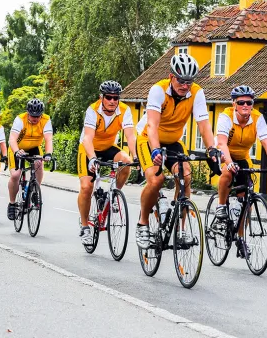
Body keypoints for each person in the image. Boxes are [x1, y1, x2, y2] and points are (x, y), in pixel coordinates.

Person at [135, 53, 221, 249]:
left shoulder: (197, 93)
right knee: (156, 180)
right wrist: (156, 151)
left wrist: (212, 148)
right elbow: (152, 125)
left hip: (174, 141)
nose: (185, 85)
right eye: (181, 81)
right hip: (149, 139)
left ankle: (180, 231)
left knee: (186, 177)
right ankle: (143, 223)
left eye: (189, 82)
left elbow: (204, 124)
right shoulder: (158, 90)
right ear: (171, 77)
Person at [214, 85, 267, 255]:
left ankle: (240, 237)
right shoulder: (226, 116)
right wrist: (229, 162)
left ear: (253, 104)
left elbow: (266, 142)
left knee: (247, 201)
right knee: (228, 172)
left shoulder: (257, 118)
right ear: (234, 103)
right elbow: (222, 143)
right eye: (241, 102)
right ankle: (221, 206)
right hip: (223, 154)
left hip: (243, 157)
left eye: (249, 102)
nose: (245, 105)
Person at [78, 80, 137, 245]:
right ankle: (84, 227)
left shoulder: (124, 110)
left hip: (109, 146)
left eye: (115, 98)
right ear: (101, 97)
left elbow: (130, 136)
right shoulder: (93, 110)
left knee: (126, 161)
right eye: (108, 97)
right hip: (89, 149)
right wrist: (92, 158)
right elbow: (88, 138)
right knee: (86, 187)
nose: (112, 101)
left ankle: (113, 195)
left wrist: (137, 156)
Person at [6, 98, 53, 220]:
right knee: (16, 175)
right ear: (28, 113)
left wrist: (48, 154)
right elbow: (12, 138)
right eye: (32, 116)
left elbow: (48, 139)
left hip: (34, 147)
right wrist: (16, 151)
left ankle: (35, 190)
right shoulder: (20, 119)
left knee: (39, 162)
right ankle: (12, 203)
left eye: (38, 116)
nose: (35, 118)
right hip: (17, 148)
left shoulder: (46, 120)